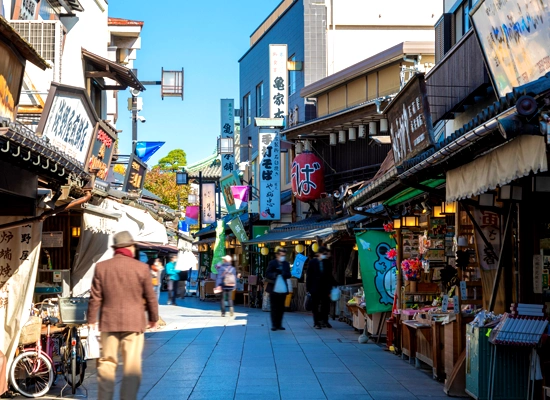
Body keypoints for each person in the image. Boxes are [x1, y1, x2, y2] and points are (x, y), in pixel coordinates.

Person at [88, 231, 158, 400]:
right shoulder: (141, 268)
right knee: (131, 367)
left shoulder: (102, 267)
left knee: (107, 364)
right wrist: (153, 318)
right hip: (134, 324)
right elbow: (150, 296)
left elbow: (95, 297)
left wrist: (91, 320)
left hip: (108, 323)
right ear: (130, 247)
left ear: (116, 248)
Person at [306, 246, 336, 329]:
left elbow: (330, 276)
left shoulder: (327, 263)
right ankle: (316, 322)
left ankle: (325, 321)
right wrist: (308, 288)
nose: (325, 255)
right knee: (315, 306)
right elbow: (309, 276)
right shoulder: (312, 262)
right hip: (314, 288)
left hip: (325, 288)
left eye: (326, 254)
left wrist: (333, 285)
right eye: (324, 253)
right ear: (319, 253)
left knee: (325, 305)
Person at [265, 247, 291, 331]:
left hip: (283, 288)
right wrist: (275, 274)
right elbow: (267, 274)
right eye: (281, 255)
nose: (283, 256)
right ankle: (274, 324)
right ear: (277, 255)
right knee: (274, 307)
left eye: (284, 255)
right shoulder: (272, 263)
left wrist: (283, 273)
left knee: (281, 307)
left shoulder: (286, 264)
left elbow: (289, 274)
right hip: (273, 288)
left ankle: (279, 324)